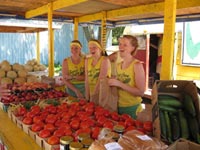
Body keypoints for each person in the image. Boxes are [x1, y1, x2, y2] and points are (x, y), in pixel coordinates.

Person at [108, 35, 145, 119]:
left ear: (132, 48)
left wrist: (119, 83)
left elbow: (140, 92)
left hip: (132, 108)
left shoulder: (137, 65)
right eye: (120, 44)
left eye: (125, 45)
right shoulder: (118, 65)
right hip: (117, 106)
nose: (121, 47)